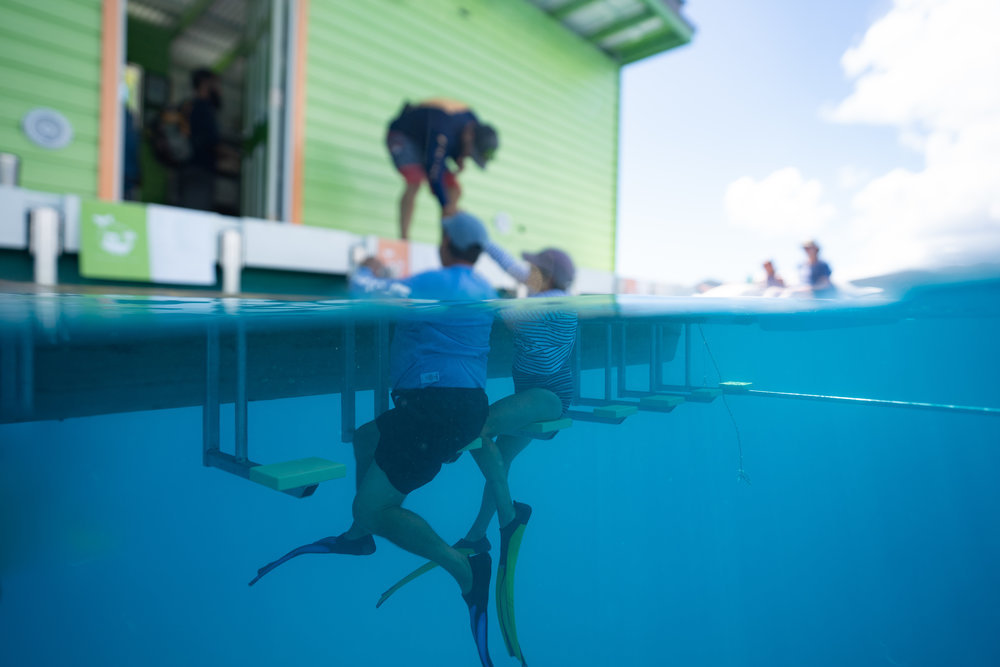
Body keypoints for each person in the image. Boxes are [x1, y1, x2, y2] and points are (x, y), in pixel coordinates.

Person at [249, 212, 500, 667]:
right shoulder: (479, 287)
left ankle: (465, 570)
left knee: (372, 504)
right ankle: (361, 535)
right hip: (449, 406)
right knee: (367, 437)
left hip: (435, 411)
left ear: (445, 246)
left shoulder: (439, 282)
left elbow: (366, 291)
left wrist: (366, 265)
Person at [377, 242, 578, 667]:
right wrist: (484, 245)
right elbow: (512, 284)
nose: (525, 275)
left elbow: (521, 328)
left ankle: (510, 516)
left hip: (550, 399)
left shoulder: (561, 307)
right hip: (533, 394)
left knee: (477, 426)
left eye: (533, 271)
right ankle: (477, 533)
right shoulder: (544, 293)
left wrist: (493, 300)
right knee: (499, 459)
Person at [386, 99, 498, 239]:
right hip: (403, 135)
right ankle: (404, 239)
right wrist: (445, 205)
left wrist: (460, 156)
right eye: (471, 153)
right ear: (469, 136)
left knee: (454, 190)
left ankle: (446, 242)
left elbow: (446, 151)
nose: (469, 155)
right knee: (414, 182)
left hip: (427, 142)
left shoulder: (472, 122)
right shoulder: (443, 130)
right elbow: (434, 171)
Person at [178, 68, 221, 211]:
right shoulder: (203, 109)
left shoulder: (191, 106)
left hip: (189, 171)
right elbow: (210, 142)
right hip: (198, 173)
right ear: (205, 84)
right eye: (215, 84)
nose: (218, 89)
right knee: (196, 218)